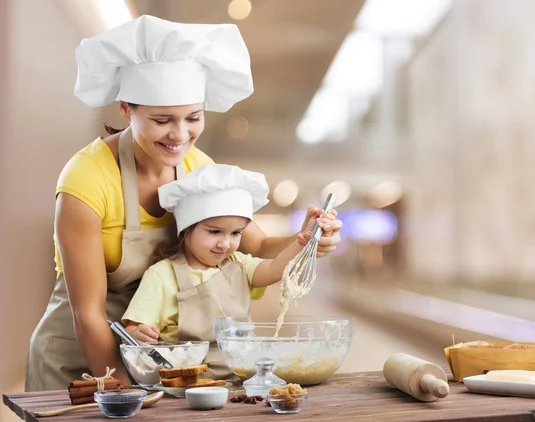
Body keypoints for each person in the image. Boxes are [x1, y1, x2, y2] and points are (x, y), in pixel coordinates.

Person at [25, 15, 342, 392]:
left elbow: (253, 245)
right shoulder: (87, 177)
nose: (180, 135)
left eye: (193, 117)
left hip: (154, 364)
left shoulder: (197, 167)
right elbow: (89, 314)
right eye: (162, 120)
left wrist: (305, 241)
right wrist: (128, 395)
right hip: (81, 359)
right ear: (126, 108)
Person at [121, 164, 331, 379]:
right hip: (186, 385)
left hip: (242, 378)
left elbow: (275, 268)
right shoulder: (162, 276)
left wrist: (305, 239)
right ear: (186, 228)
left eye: (236, 233)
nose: (225, 243)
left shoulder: (240, 264)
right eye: (214, 231)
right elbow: (132, 331)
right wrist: (138, 334)